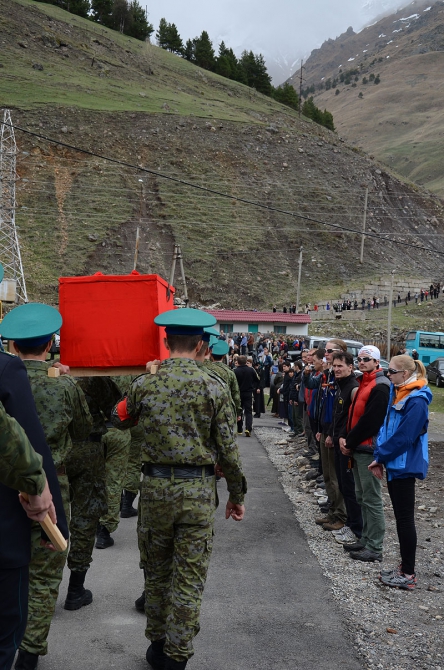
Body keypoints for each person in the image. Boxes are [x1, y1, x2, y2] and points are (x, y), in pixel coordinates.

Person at [111, 308, 246, 670]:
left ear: (166, 343)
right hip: (198, 493)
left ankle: (156, 643)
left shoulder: (144, 384)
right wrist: (236, 494)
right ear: (202, 344)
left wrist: (142, 381)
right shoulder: (214, 386)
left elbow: (117, 419)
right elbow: (229, 450)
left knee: (155, 572)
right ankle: (176, 656)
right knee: (189, 576)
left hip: (154, 490)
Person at [1, 302, 93, 670]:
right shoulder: (64, 384)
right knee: (43, 571)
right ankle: (29, 651)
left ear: (12, 345)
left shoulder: (8, 372)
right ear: (51, 342)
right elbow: (84, 430)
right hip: (51, 488)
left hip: (7, 487)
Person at [369, 356, 431, 590]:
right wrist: (381, 455)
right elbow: (387, 428)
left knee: (405, 520)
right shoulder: (400, 392)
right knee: (401, 518)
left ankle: (408, 574)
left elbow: (405, 437)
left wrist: (380, 457)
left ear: (405, 374)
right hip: (394, 463)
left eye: (391, 371)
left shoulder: (417, 400)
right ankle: (404, 567)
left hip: (404, 466)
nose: (387, 375)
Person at [339, 346, 390, 562]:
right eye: (360, 359)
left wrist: (349, 441)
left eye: (366, 359)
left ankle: (375, 546)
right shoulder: (364, 381)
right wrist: (345, 437)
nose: (362, 362)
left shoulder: (380, 386)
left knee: (371, 498)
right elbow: (351, 413)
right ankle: (367, 539)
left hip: (368, 448)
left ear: (377, 362)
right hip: (358, 447)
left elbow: (371, 421)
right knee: (362, 496)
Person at [306, 340, 348, 532]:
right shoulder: (328, 373)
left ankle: (340, 514)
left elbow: (338, 410)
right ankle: (332, 511)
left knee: (334, 476)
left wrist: (331, 432)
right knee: (328, 474)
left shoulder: (341, 378)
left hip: (334, 432)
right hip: (325, 429)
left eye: (330, 351)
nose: (325, 354)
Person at [328, 351, 362, 546]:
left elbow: (353, 419)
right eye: (334, 366)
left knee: (350, 488)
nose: (336, 369)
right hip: (338, 442)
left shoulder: (353, 388)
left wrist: (345, 439)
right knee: (342, 484)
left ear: (351, 367)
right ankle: (351, 523)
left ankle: (356, 528)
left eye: (340, 366)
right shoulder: (341, 386)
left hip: (347, 445)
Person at [234, 355, 260, 436]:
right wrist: (253, 385)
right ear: (246, 362)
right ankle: (248, 428)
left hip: (238, 393)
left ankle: (239, 429)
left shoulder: (235, 371)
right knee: (248, 411)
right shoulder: (251, 370)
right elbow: (258, 379)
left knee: (239, 410)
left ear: (238, 362)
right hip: (248, 392)